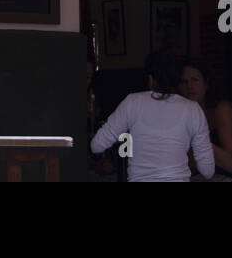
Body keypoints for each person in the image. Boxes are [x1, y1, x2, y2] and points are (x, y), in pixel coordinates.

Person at [89, 52, 214, 182]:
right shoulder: (193, 109)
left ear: (150, 79)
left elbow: (96, 145)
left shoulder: (132, 102)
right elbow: (208, 170)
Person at [180, 59, 232, 181]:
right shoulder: (189, 114)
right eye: (184, 82)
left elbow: (230, 164)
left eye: (195, 80)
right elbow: (192, 163)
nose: (189, 86)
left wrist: (197, 138)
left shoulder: (223, 108)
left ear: (206, 83)